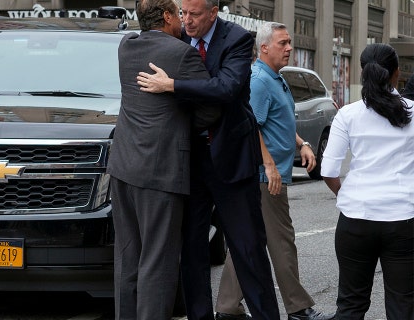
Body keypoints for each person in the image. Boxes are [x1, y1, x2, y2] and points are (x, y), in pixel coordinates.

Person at [136, 0, 280, 319]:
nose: (187, 21)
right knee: (192, 250)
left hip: (231, 158)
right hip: (188, 160)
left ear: (214, 13)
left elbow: (227, 87)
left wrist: (172, 85)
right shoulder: (176, 38)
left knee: (247, 250)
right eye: (183, 13)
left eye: (195, 14)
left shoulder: (238, 39)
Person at [213, 22, 334, 320]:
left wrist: (303, 143)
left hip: (269, 174)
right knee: (282, 240)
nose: (289, 48)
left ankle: (228, 307)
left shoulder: (275, 78)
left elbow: (278, 123)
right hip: (265, 178)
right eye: (283, 43)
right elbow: (249, 125)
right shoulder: (258, 81)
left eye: (290, 42)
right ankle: (298, 307)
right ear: (264, 47)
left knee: (248, 241)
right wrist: (268, 165)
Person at [108, 0, 220, 318]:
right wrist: (178, 112)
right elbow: (211, 109)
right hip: (161, 170)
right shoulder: (181, 54)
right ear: (168, 16)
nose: (183, 21)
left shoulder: (125, 46)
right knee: (158, 261)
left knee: (128, 258)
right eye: (179, 15)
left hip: (123, 165)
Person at [321, 43, 414, 320]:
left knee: (350, 305)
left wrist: (346, 195)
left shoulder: (348, 114)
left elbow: (328, 170)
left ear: (363, 72)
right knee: (403, 307)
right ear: (396, 73)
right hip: (404, 219)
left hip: (356, 218)